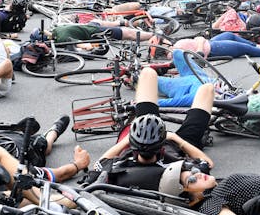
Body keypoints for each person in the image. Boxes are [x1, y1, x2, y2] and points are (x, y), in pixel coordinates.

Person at [84, 67, 214, 190]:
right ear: (162, 151)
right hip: (179, 144)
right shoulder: (177, 168)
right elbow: (207, 163)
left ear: (134, 150)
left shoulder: (121, 166)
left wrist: (127, 140)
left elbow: (98, 165)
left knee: (147, 73)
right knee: (207, 88)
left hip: (151, 137)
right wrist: (177, 139)